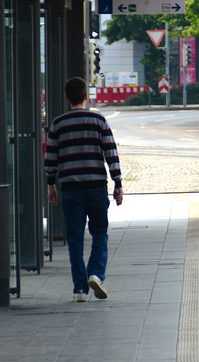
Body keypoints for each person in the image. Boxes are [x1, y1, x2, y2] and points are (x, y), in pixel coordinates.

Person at [45, 77, 123, 302]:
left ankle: (79, 289)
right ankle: (96, 274)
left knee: (75, 238)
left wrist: (51, 185)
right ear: (86, 97)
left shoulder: (58, 124)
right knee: (100, 233)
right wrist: (118, 184)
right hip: (97, 187)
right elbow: (111, 153)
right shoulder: (98, 120)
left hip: (70, 188)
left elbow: (50, 159)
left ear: (67, 97)